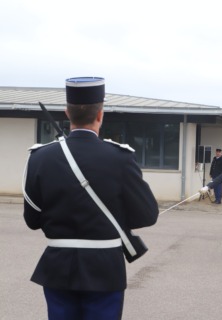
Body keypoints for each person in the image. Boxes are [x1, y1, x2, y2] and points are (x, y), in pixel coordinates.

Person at [22, 77, 159, 320]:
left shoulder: (40, 157)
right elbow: (147, 215)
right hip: (104, 267)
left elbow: (32, 220)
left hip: (58, 265)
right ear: (100, 115)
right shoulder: (120, 157)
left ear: (67, 113)